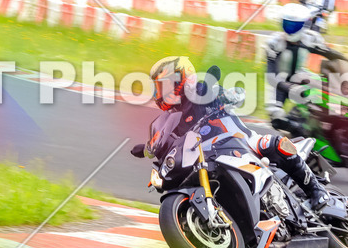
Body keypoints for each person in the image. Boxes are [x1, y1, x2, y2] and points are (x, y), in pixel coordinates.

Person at [133, 55, 329, 208]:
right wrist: (151, 147)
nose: (161, 91)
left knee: (274, 143)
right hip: (207, 156)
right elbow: (167, 143)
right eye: (158, 87)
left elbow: (230, 94)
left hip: (237, 140)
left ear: (182, 79)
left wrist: (227, 95)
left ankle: (316, 191)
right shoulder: (171, 119)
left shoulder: (200, 91)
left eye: (165, 85)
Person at [265, 3, 347, 138]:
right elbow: (271, 77)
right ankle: (298, 137)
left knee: (330, 93)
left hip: (301, 76)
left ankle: (333, 126)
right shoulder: (273, 43)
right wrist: (289, 87)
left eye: (294, 25)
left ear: (303, 25)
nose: (290, 29)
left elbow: (331, 54)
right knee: (276, 118)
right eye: (287, 24)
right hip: (279, 83)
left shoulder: (310, 38)